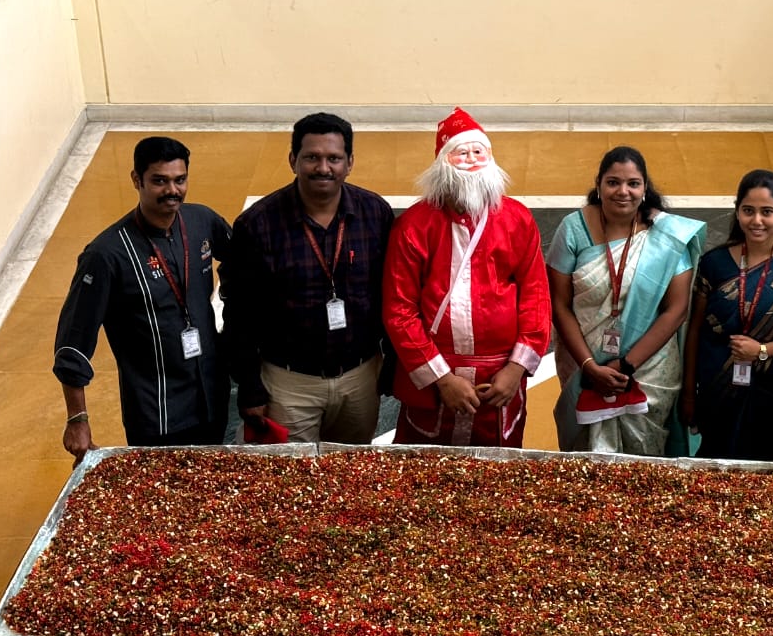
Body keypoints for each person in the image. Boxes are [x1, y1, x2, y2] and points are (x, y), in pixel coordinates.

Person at [54, 136, 231, 462]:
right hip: (157, 415)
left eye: (180, 180)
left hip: (213, 397)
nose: (172, 190)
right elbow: (73, 341)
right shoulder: (106, 255)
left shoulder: (202, 222)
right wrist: (77, 418)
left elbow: (242, 263)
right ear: (137, 180)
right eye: (159, 181)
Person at [220, 112, 394, 443]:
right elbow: (240, 313)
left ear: (350, 162)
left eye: (334, 158)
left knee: (350, 467)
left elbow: (390, 294)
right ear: (293, 160)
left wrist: (393, 361)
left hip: (360, 378)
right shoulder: (257, 225)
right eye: (312, 157)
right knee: (291, 473)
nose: (323, 168)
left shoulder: (375, 214)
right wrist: (249, 385)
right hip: (289, 385)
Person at [382, 107, 551, 447]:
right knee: (424, 469)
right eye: (462, 153)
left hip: (500, 380)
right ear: (443, 163)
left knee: (497, 468)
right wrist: (442, 379)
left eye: (478, 152)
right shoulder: (413, 226)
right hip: (435, 380)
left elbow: (535, 297)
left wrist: (516, 369)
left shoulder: (517, 220)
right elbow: (399, 310)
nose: (471, 161)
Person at [548, 146, 705, 457]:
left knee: (644, 464)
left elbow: (676, 310)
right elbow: (559, 303)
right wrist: (590, 367)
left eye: (633, 183)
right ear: (599, 185)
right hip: (584, 363)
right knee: (586, 459)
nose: (623, 192)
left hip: (649, 370)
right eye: (613, 182)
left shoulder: (666, 236)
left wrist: (627, 364)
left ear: (645, 188)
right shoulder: (574, 228)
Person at [680, 170, 773, 461]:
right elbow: (695, 330)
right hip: (718, 385)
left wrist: (762, 350)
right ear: (737, 211)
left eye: (767, 212)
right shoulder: (714, 263)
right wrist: (688, 393)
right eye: (748, 211)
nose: (757, 220)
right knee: (717, 466)